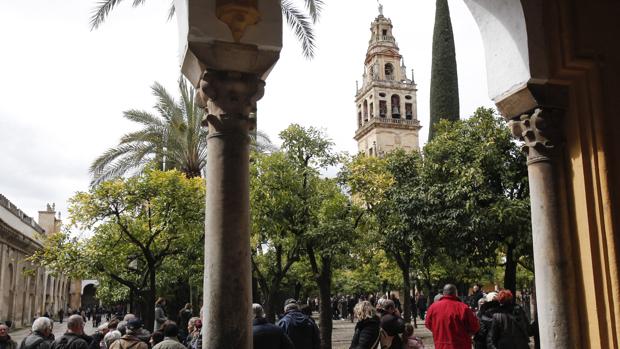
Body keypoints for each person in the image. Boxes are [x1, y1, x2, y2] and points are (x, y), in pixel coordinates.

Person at [425, 284, 480, 349]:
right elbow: (474, 326)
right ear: (456, 293)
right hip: (461, 344)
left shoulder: (433, 307)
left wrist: (438, 331)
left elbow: (428, 324)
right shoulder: (463, 308)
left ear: (443, 293)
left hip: (441, 344)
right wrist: (468, 334)